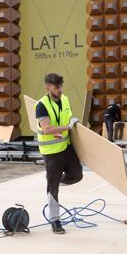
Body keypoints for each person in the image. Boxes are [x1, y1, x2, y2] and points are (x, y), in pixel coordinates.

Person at [35, 73, 82, 234]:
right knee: (53, 189)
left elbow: (66, 119)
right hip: (51, 152)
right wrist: (65, 128)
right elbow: (47, 129)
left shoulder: (65, 99)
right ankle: (55, 221)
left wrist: (72, 123)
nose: (60, 90)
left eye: (61, 86)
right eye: (57, 87)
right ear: (48, 87)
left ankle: (53, 184)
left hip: (67, 147)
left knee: (77, 175)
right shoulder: (41, 105)